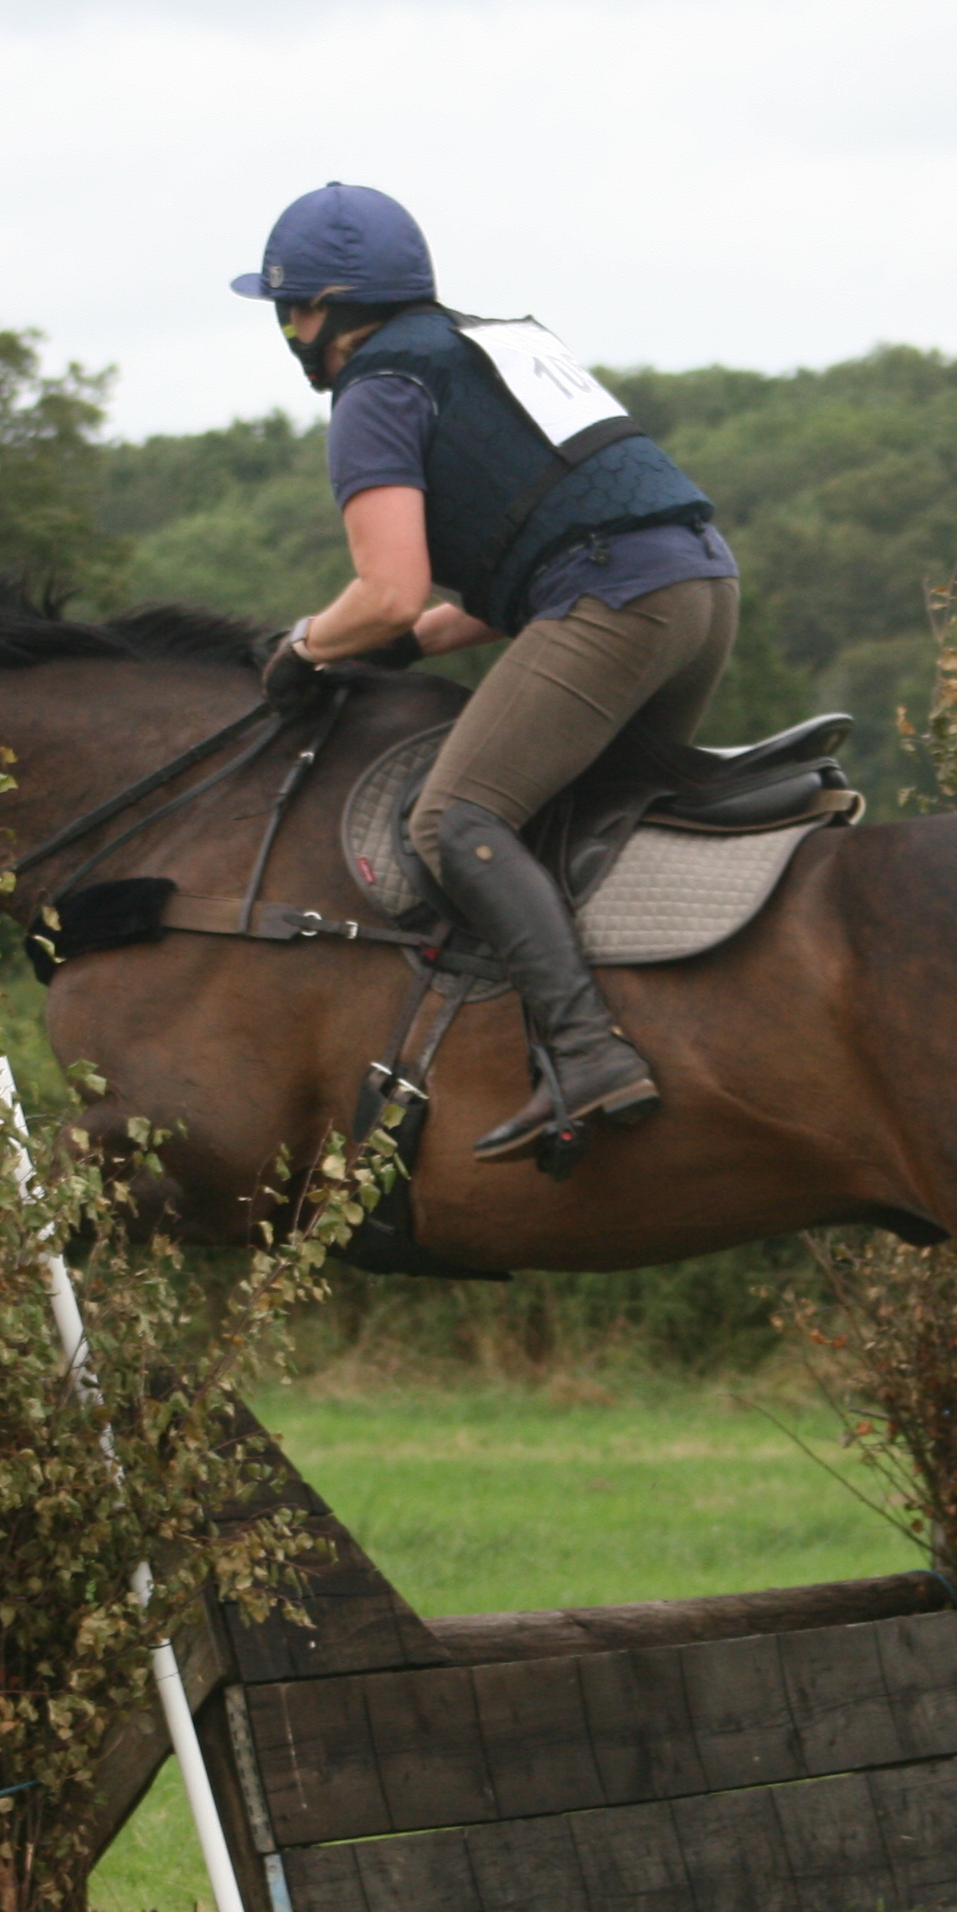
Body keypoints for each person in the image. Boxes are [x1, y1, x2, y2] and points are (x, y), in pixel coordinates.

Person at [233, 181, 739, 1172]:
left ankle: (588, 1055)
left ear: (320, 311)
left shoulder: (377, 388)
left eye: (288, 310)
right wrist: (411, 645)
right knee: (576, 821)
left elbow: (387, 591)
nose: (289, 331)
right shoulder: (492, 344)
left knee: (455, 820)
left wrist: (305, 647)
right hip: (700, 588)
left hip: (619, 601)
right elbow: (540, 546)